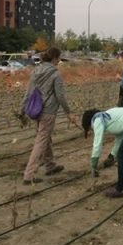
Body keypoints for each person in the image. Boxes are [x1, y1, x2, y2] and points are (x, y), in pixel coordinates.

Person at [20, 47, 73, 184]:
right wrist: (68, 112)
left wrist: (22, 110)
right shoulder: (55, 74)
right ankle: (29, 175)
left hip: (35, 110)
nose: (59, 60)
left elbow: (28, 93)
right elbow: (60, 96)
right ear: (55, 58)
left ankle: (50, 165)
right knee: (41, 140)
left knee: (45, 137)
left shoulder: (36, 71)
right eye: (59, 58)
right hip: (48, 111)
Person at [82, 107, 123, 198]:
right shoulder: (108, 117)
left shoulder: (97, 120)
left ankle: (120, 189)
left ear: (89, 123)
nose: (92, 130)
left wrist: (94, 163)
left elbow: (97, 143)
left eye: (90, 129)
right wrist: (112, 155)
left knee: (122, 156)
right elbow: (119, 138)